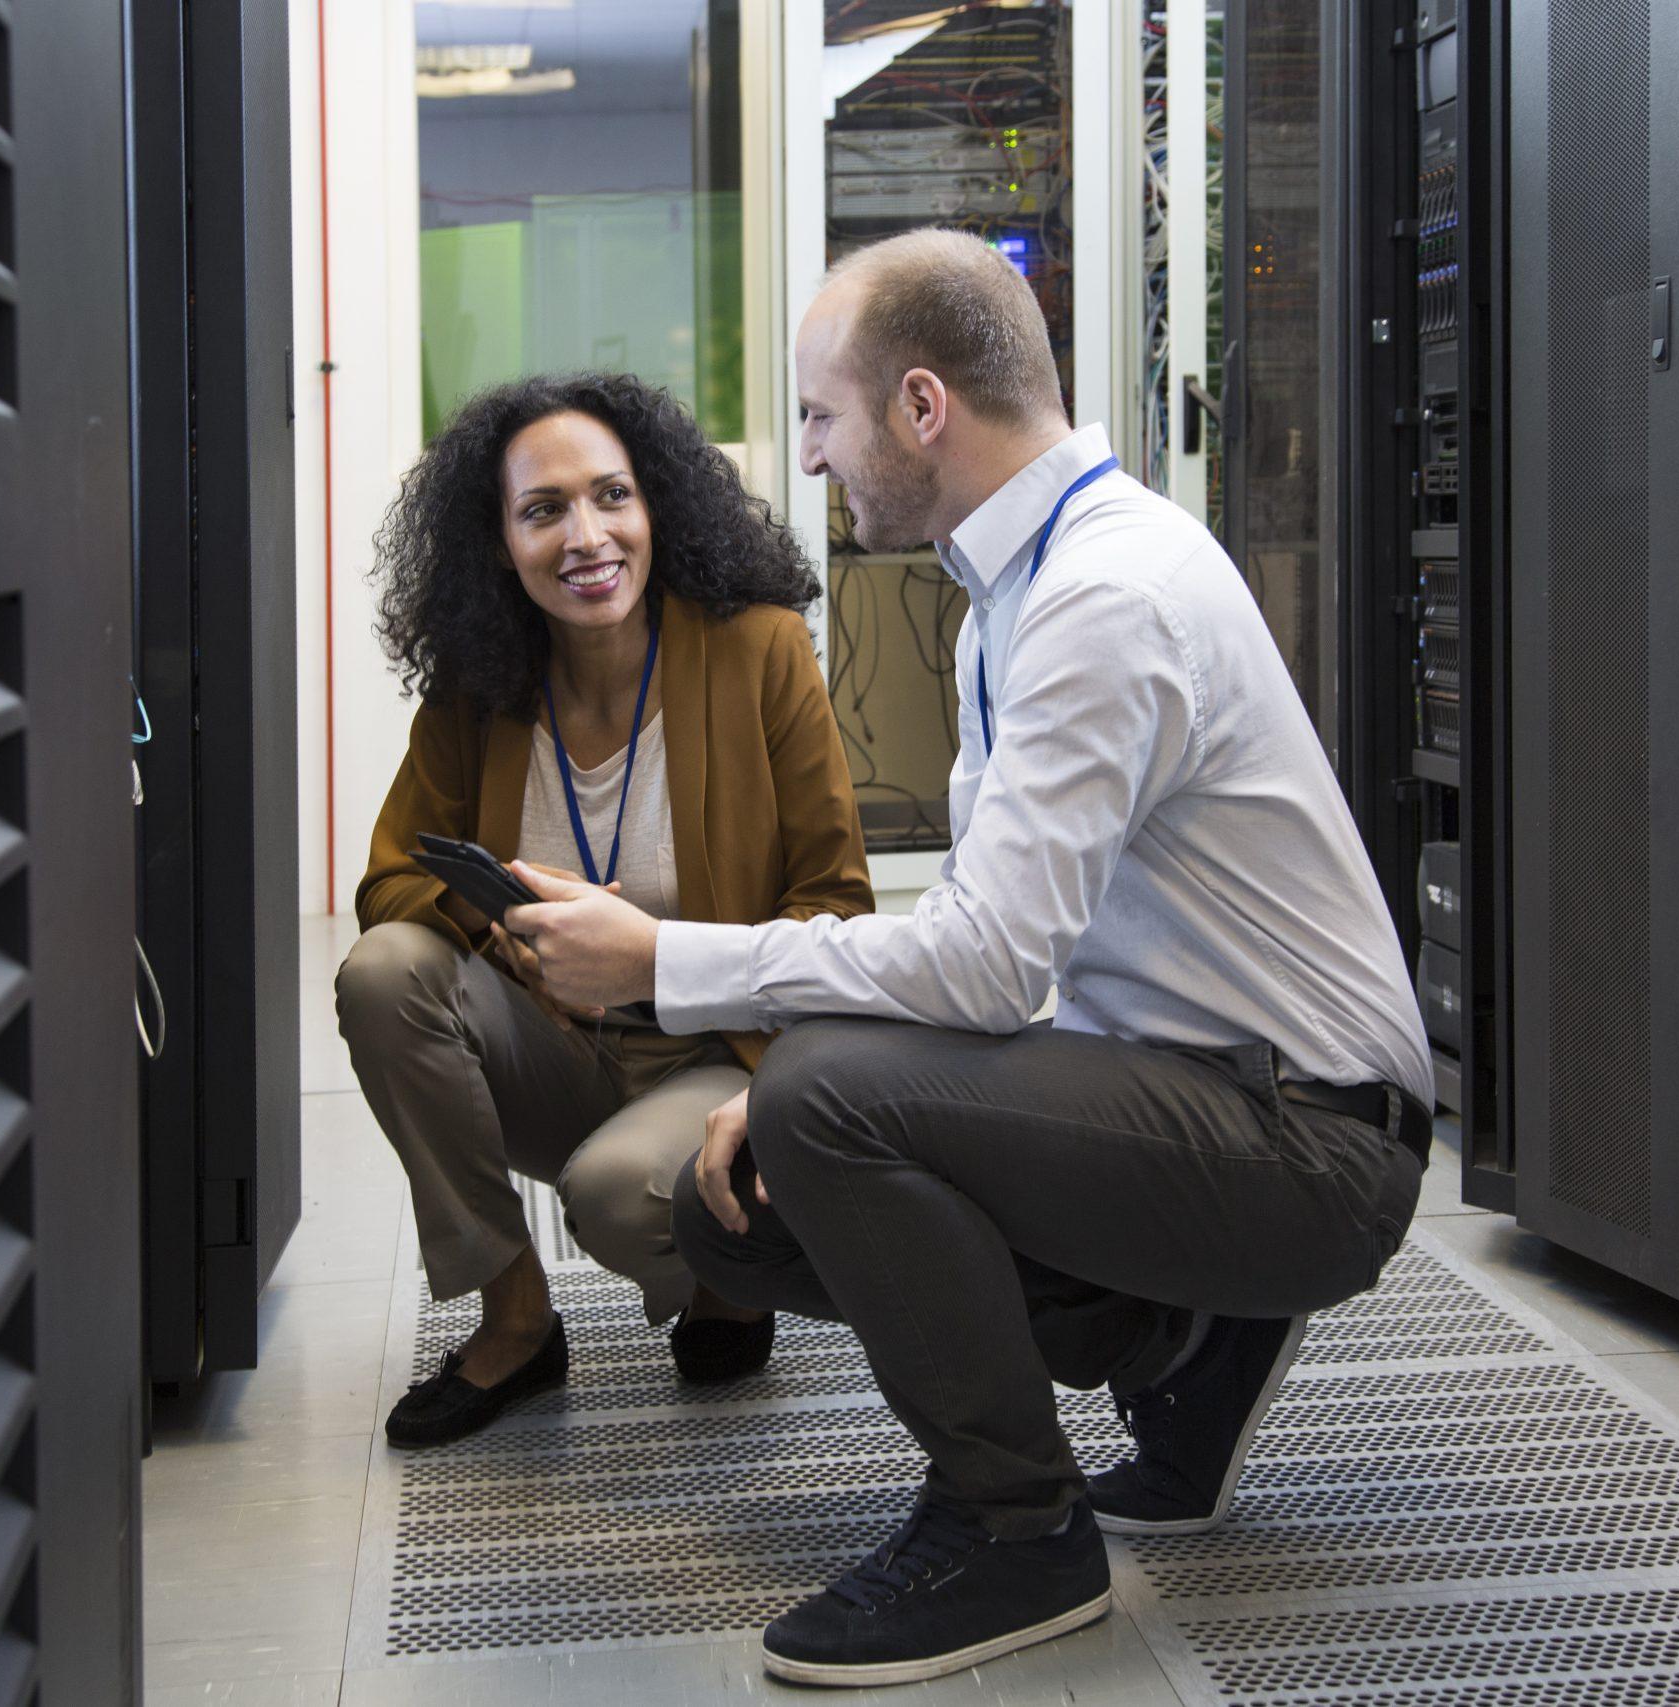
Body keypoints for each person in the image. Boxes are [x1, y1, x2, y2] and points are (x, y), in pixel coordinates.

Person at [507, 230, 1433, 1687]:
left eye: (822, 414)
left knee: (822, 1099)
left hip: (1309, 1140)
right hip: (1201, 1089)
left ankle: (1015, 1525)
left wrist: (666, 963)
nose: (811, 455)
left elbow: (992, 965)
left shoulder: (1099, 599)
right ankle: (1188, 1347)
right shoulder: (1023, 584)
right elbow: (1030, 944)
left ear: (922, 406)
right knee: (747, 1206)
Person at [336, 372, 874, 1450]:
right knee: (384, 972)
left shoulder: (759, 649)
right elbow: (389, 882)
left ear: (654, 506)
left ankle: (729, 1271)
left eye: (610, 496)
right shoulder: (481, 684)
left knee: (620, 1199)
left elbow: (833, 902)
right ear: (499, 543)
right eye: (542, 510)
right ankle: (516, 1312)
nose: (585, 536)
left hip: (720, 1047)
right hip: (559, 1044)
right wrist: (509, 934)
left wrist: (654, 956)